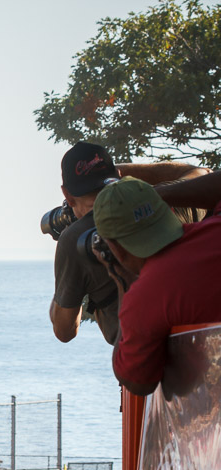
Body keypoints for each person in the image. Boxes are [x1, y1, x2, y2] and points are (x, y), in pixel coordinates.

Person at [49, 142, 210, 345]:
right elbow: (201, 172)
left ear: (67, 195)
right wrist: (118, 173)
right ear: (118, 174)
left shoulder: (75, 239)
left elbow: (65, 331)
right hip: (203, 337)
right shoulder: (164, 202)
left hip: (142, 352)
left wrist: (63, 284)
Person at [92, 175, 221, 395]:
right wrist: (158, 193)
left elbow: (137, 382)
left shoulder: (145, 298)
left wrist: (124, 285)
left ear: (115, 248)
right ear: (167, 211)